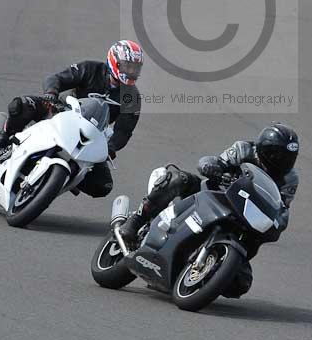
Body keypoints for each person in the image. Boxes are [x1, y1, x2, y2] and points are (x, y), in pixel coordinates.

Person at [118, 122, 299, 297]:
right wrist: (211, 166)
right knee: (179, 179)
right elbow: (214, 161)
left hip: (246, 220)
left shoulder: (290, 179)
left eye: (289, 157)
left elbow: (281, 207)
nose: (283, 161)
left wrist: (279, 222)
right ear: (264, 149)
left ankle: (203, 274)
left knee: (241, 283)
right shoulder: (244, 149)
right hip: (215, 195)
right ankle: (137, 220)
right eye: (277, 155)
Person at [0, 40, 143, 198]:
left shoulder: (133, 97)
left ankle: (67, 177)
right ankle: (4, 138)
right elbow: (56, 78)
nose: (131, 71)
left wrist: (111, 147)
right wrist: (51, 93)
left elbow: (124, 131)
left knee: (103, 186)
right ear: (114, 61)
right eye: (127, 66)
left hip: (91, 135)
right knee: (20, 105)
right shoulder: (90, 68)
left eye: (135, 68)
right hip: (61, 113)